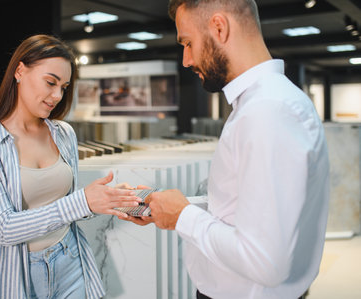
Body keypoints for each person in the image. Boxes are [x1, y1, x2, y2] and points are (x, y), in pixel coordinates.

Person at [121, 1, 330, 298]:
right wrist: (170, 207)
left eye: (188, 43)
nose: (186, 60)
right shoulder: (262, 104)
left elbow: (266, 262)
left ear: (219, 27)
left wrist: (183, 217)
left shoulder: (267, 111)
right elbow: (244, 212)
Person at [0, 34, 140, 299]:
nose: (56, 95)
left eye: (64, 87)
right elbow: (3, 228)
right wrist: (82, 202)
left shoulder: (63, 134)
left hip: (70, 260)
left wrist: (110, 199)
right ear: (20, 71)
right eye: (50, 82)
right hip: (15, 275)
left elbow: (66, 207)